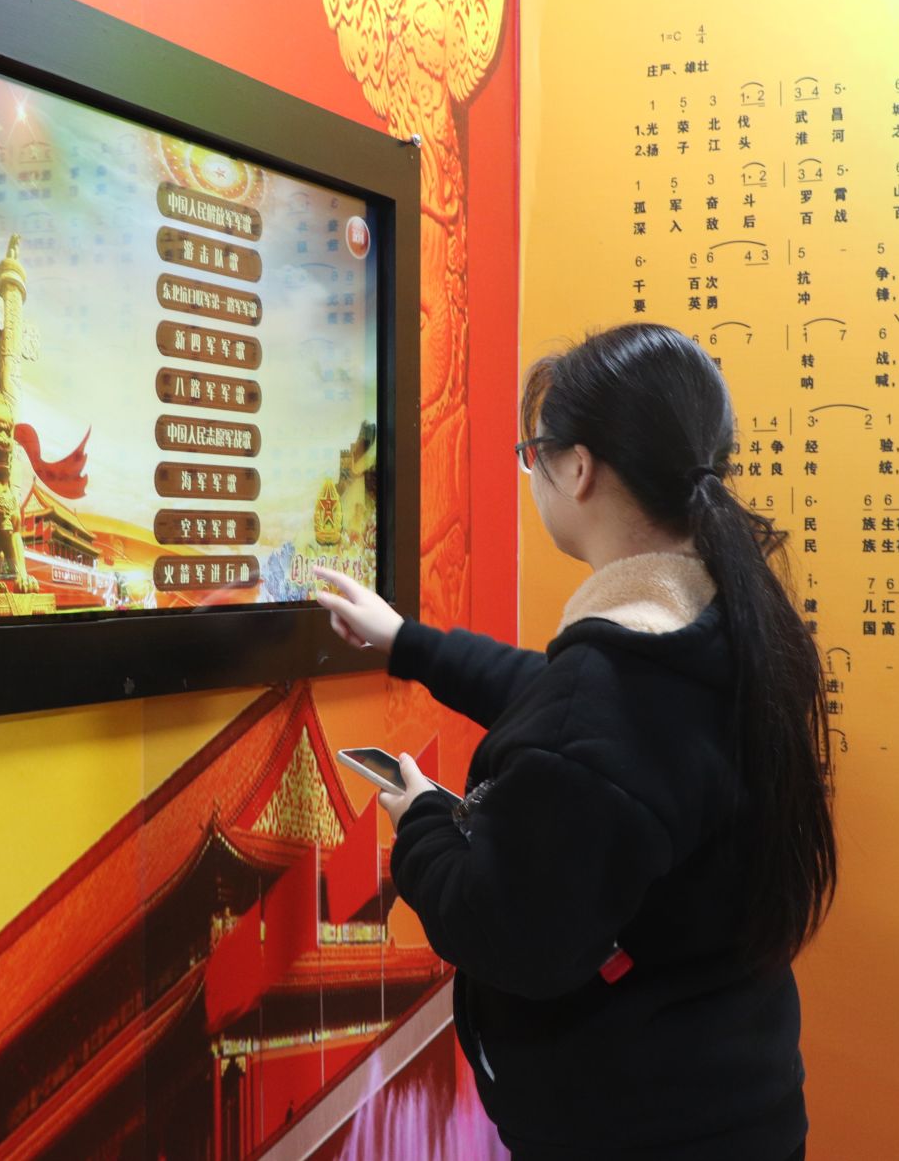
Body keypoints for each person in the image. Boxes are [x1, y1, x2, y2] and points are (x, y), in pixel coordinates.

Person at [314, 322, 835, 1161]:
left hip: (633, 1133)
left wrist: (422, 820)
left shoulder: (609, 690)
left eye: (534, 456)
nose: (534, 477)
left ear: (581, 468)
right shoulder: (716, 625)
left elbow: (502, 930)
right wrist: (408, 642)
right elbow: (557, 704)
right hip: (736, 1105)